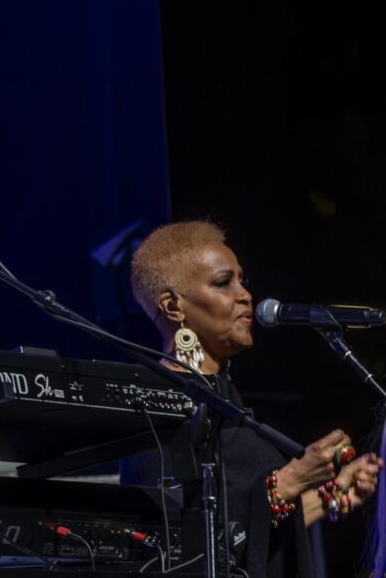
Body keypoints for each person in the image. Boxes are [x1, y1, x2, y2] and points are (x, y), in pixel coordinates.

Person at [121, 221, 382, 577]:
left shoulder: (228, 404)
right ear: (173, 306)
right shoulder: (153, 406)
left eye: (242, 281)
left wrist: (330, 495)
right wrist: (288, 481)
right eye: (223, 282)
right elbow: (181, 546)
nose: (244, 295)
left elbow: (248, 532)